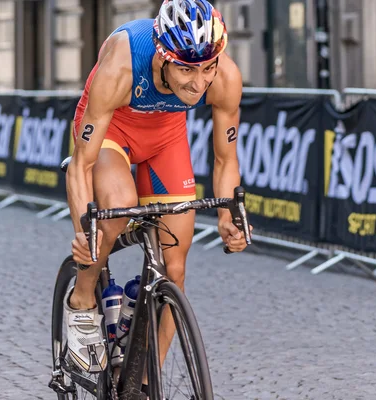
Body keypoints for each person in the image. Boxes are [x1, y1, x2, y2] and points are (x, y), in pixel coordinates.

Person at [63, 0, 251, 387]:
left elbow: (225, 160)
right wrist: (85, 231)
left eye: (207, 67)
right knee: (114, 214)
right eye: (185, 69)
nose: (199, 83)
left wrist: (228, 218)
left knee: (176, 268)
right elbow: (82, 162)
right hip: (112, 132)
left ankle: (145, 382)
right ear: (163, 57)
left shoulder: (225, 77)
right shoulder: (123, 63)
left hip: (165, 138)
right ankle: (82, 301)